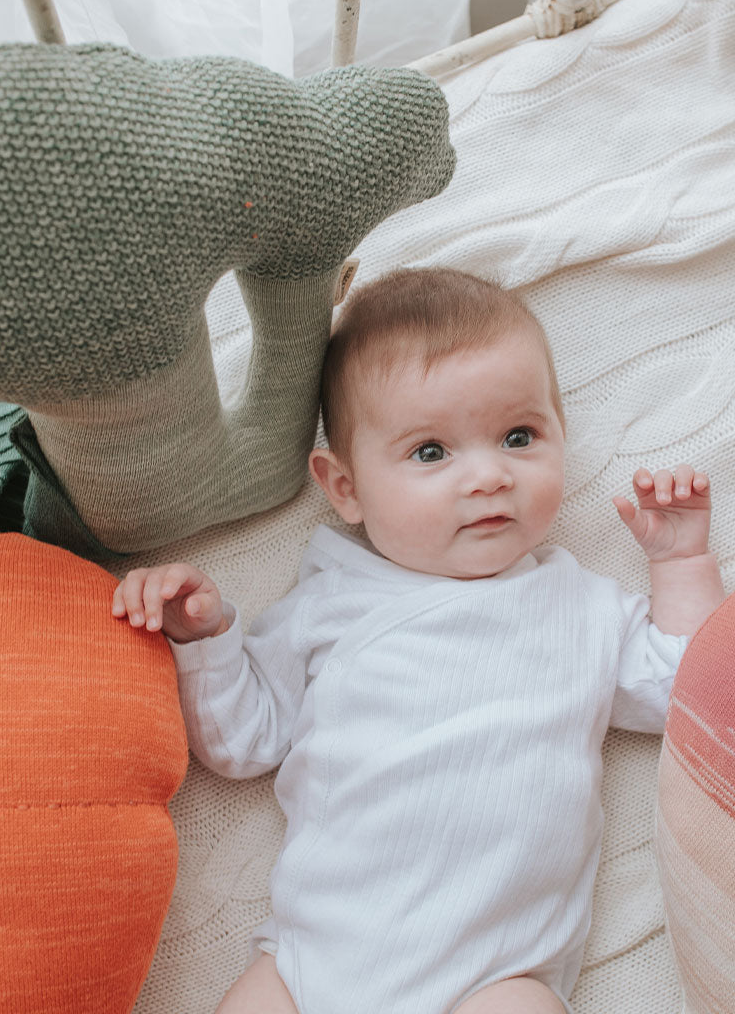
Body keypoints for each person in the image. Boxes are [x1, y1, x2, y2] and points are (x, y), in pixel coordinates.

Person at [111, 267, 726, 1014]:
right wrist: (204, 637)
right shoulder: (329, 601)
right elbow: (243, 741)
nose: (490, 475)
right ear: (345, 489)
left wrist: (682, 563)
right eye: (431, 452)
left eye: (519, 436)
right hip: (311, 966)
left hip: (497, 977)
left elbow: (684, 687)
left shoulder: (581, 606)